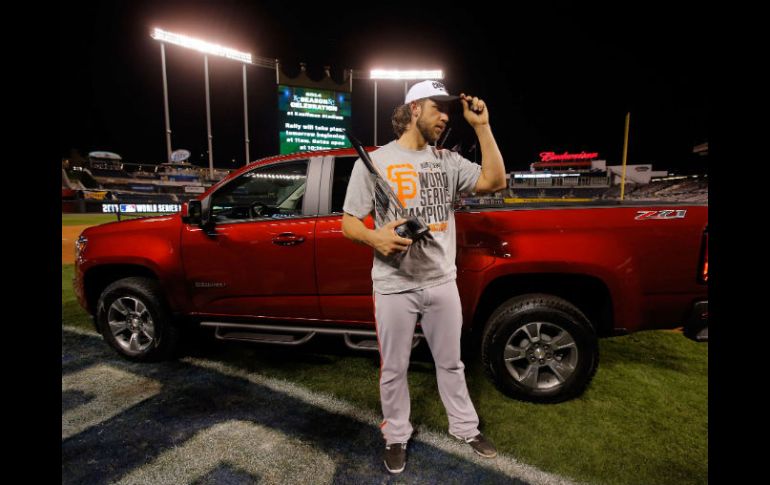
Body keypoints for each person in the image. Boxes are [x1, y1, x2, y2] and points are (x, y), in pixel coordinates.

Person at [341, 79, 506, 474]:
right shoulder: (376, 161)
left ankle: (464, 427)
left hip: (440, 281)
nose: (446, 116)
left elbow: (495, 181)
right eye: (439, 108)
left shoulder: (447, 161)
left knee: (451, 363)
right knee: (394, 367)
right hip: (394, 285)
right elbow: (348, 223)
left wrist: (482, 126)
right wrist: (374, 237)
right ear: (415, 108)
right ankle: (396, 433)